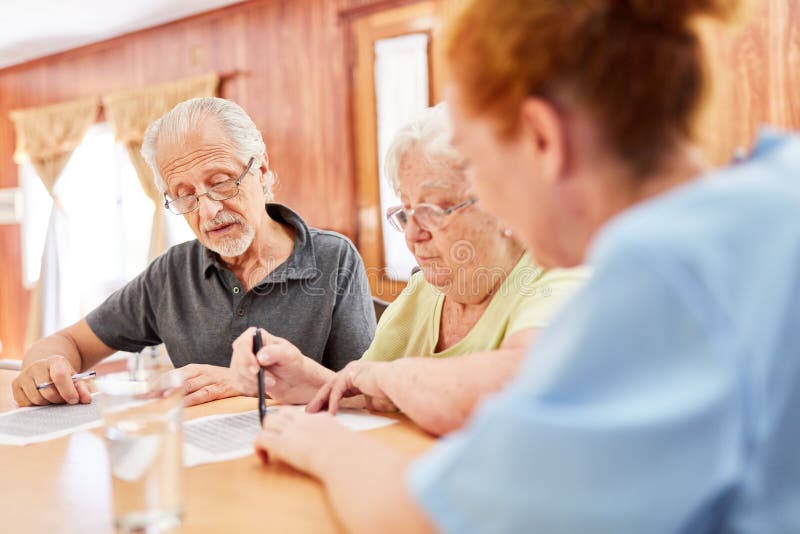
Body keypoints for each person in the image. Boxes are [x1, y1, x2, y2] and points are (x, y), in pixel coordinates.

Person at [252, 1, 800, 533]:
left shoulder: (661, 273)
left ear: (542, 139)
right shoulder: (776, 189)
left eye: (479, 162)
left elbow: (426, 520)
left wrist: (322, 446)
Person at [230, 105, 586, 435]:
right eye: (407, 212)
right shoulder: (422, 294)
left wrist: (385, 377)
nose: (413, 235)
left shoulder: (558, 275)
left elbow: (525, 382)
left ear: (504, 203)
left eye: (432, 210)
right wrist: (306, 381)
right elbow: (376, 393)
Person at [12, 97, 375, 408]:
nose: (208, 213)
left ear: (261, 169)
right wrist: (46, 367)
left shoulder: (334, 259)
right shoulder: (172, 273)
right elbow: (67, 342)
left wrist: (255, 386)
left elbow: (365, 396)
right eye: (185, 195)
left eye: (220, 183)